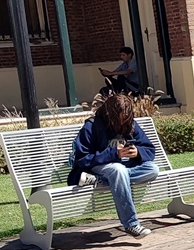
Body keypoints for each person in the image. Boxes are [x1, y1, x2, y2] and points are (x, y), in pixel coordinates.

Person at [67, 93, 159, 238]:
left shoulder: (131, 124)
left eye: (125, 118)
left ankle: (98, 179)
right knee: (118, 169)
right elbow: (82, 158)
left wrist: (138, 152)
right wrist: (114, 154)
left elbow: (150, 150)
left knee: (152, 169)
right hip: (99, 165)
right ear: (110, 114)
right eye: (119, 118)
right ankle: (131, 224)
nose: (122, 122)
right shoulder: (91, 126)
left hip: (123, 168)